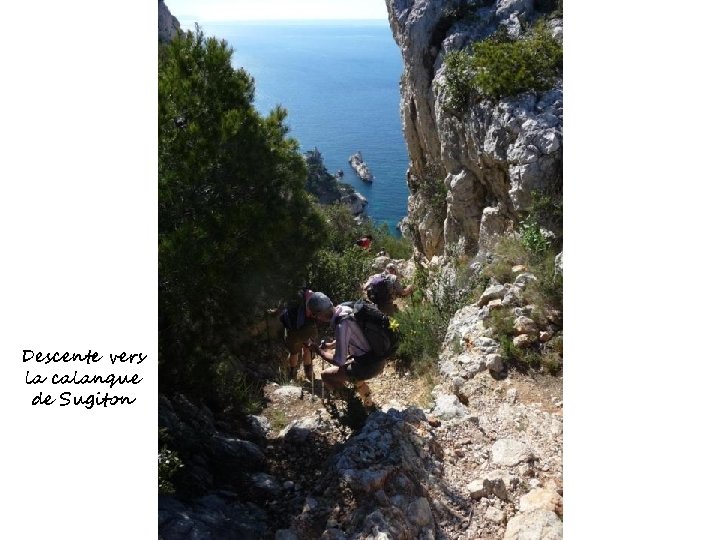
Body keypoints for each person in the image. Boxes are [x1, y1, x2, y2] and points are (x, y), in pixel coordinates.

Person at [309, 301, 384, 408]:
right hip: (378, 356)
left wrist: (319, 351)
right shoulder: (345, 308)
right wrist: (330, 345)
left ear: (321, 313)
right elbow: (351, 334)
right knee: (353, 371)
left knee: (326, 376)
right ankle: (369, 405)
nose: (317, 319)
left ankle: (354, 405)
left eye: (316, 315)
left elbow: (339, 361)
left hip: (368, 366)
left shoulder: (341, 325)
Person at [279, 290, 333, 381]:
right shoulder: (311, 294)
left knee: (294, 352)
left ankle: (292, 374)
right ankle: (309, 374)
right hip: (307, 327)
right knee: (308, 348)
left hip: (292, 328)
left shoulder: (291, 293)